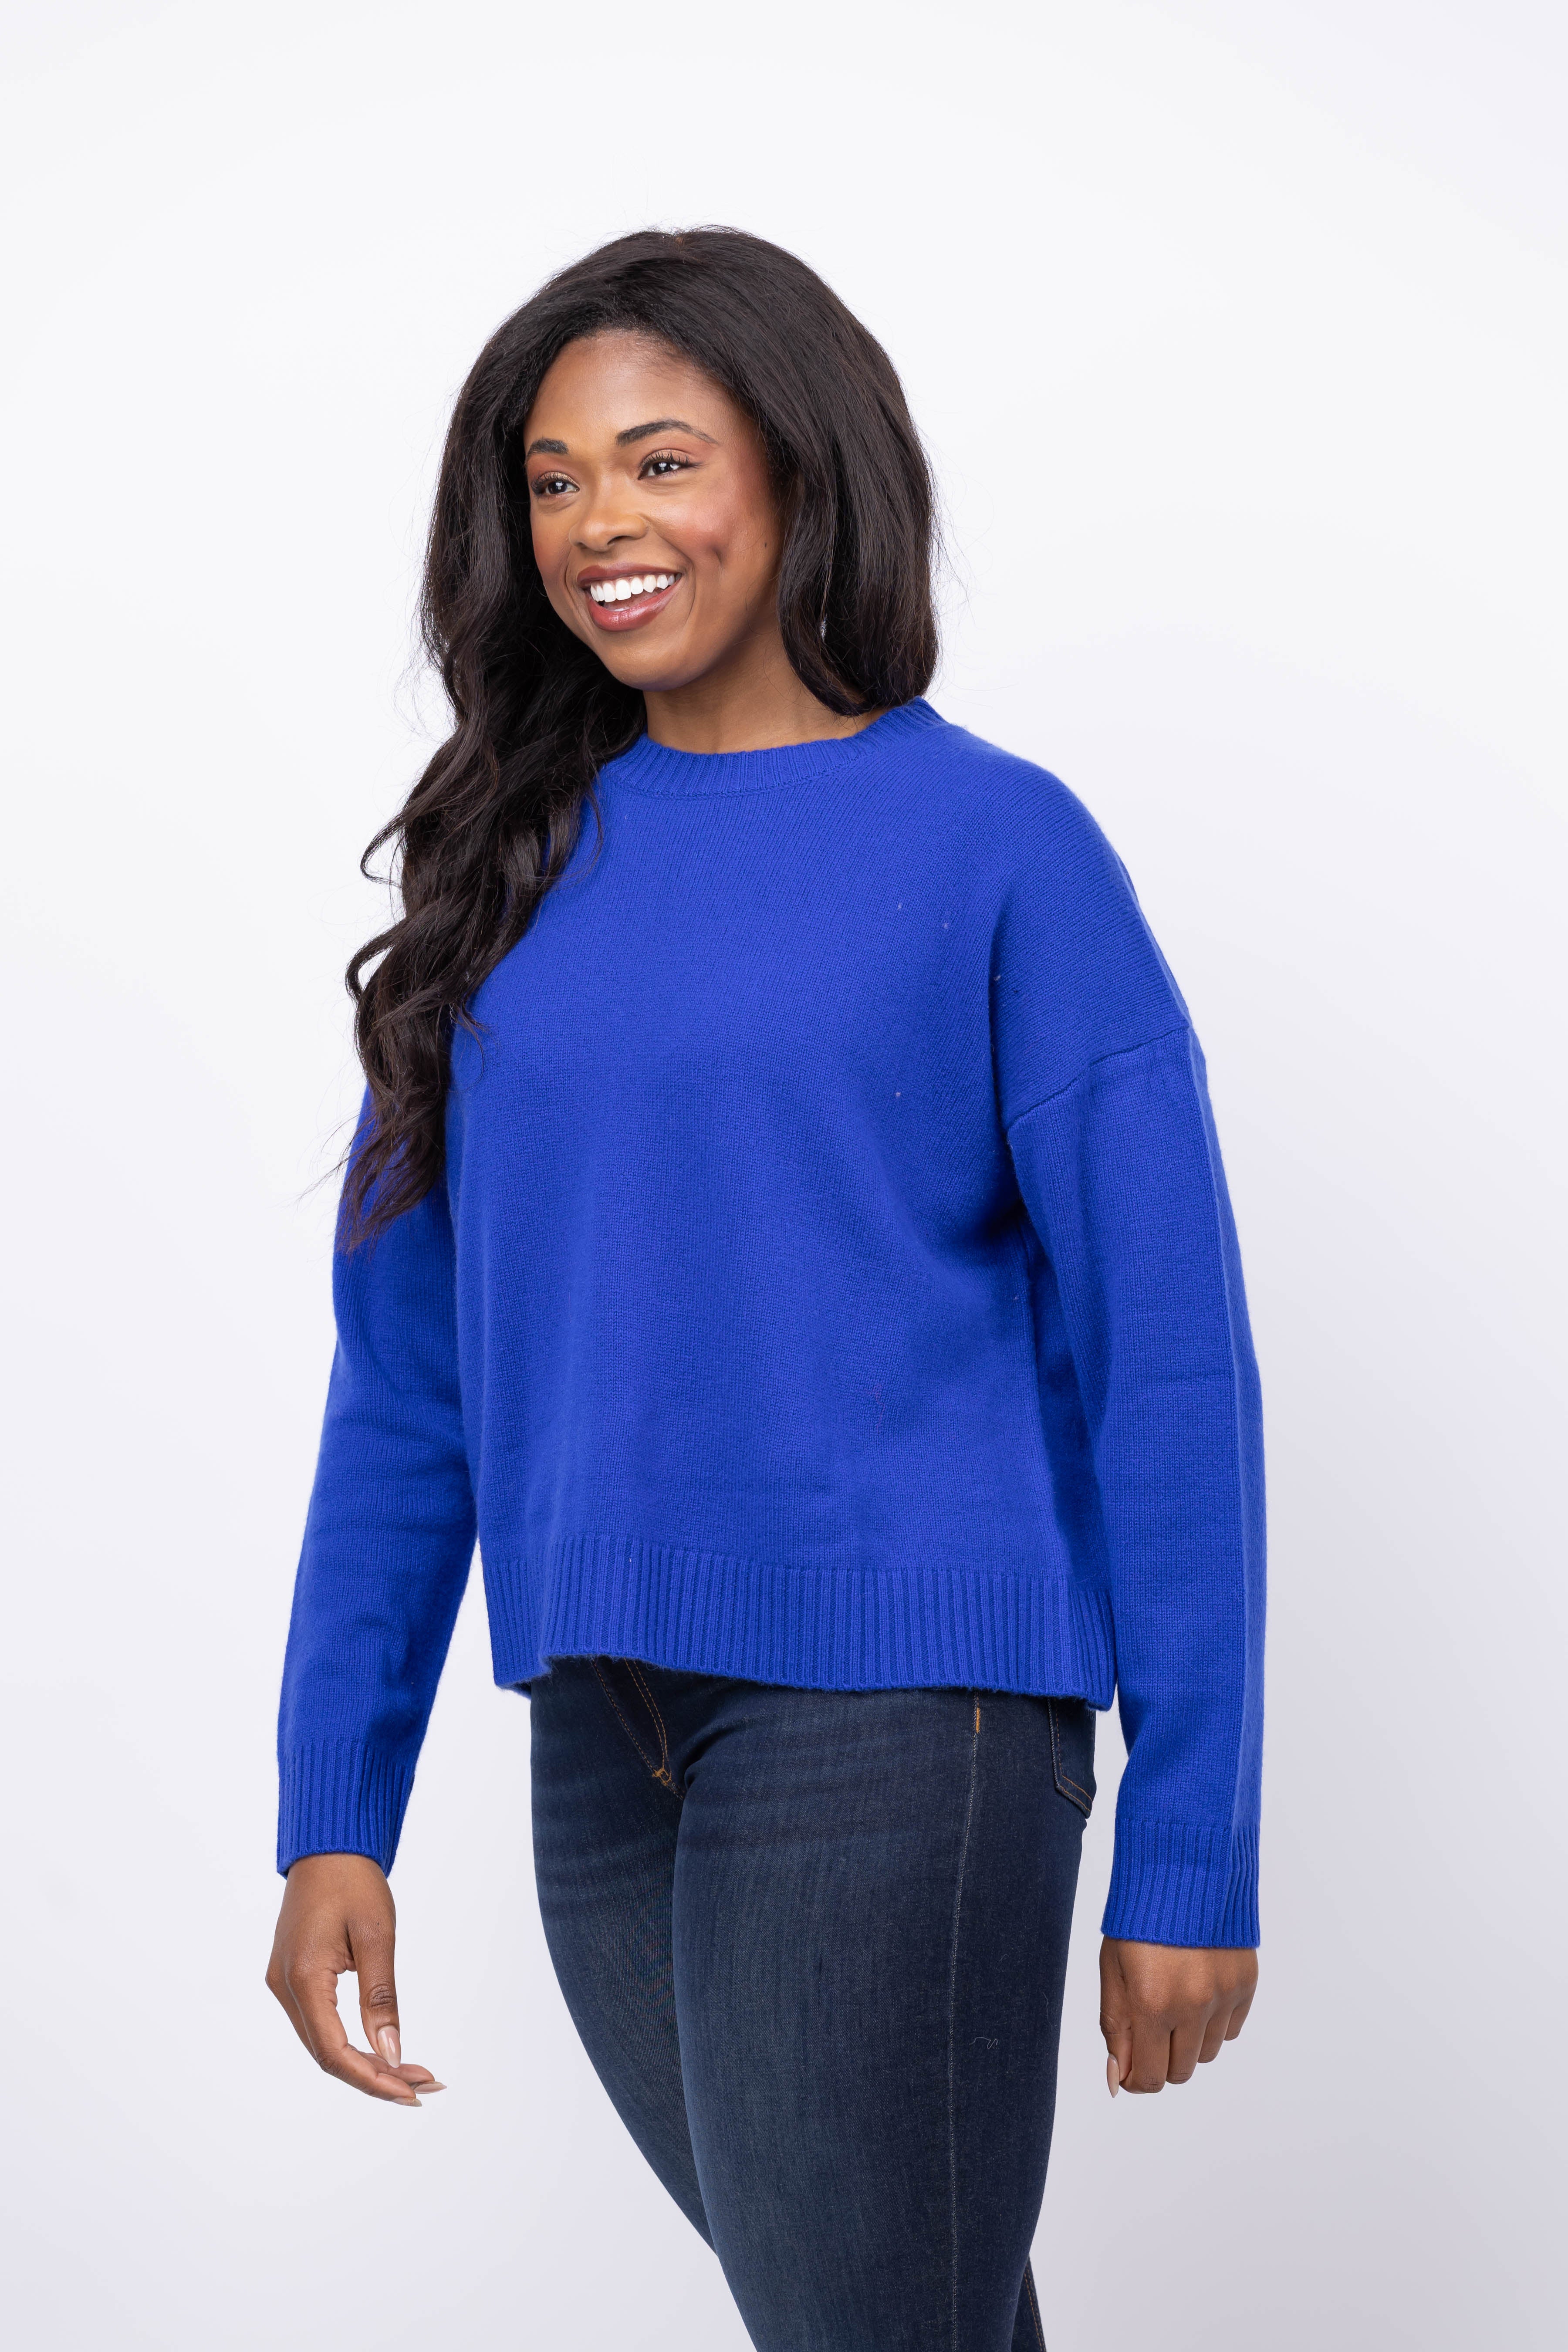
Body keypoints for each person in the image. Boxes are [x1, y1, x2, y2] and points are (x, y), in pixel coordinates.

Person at [266, 226, 1264, 2352]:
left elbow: (1170, 1370)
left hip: (904, 1721)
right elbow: (409, 1387)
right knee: (889, 2318)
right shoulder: (501, 870)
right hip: (602, 1742)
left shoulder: (1002, 851)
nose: (598, 526)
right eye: (553, 480)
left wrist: (1194, 1840)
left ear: (802, 472)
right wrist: (333, 1808)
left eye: (660, 462)